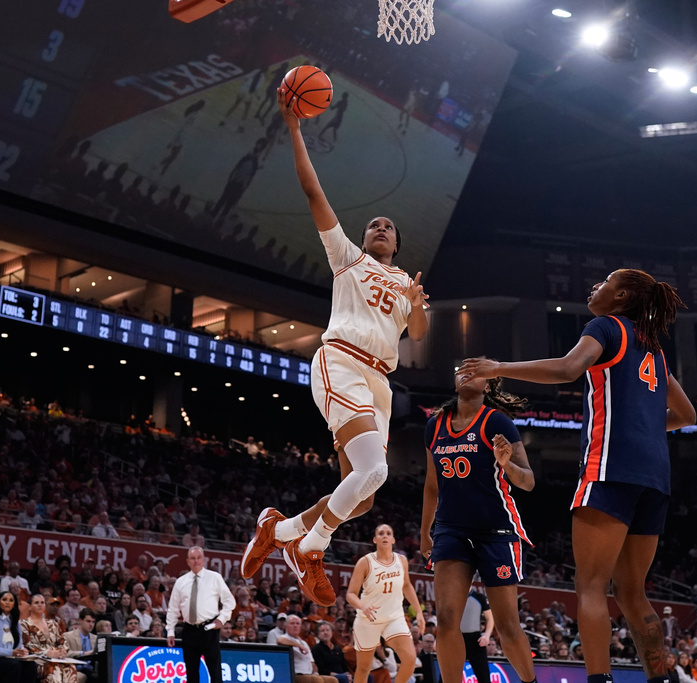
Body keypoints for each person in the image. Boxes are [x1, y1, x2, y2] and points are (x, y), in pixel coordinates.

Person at [459, 268, 697, 683]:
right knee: (632, 591)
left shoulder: (604, 326)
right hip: (655, 476)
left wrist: (499, 366)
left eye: (603, 282)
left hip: (609, 467)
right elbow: (687, 415)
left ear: (620, 296)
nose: (594, 287)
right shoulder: (652, 348)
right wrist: (640, 427)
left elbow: (570, 368)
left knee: (590, 587)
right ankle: (662, 680)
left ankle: (599, 680)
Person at [240, 86, 429, 607]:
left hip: (380, 383)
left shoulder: (408, 286)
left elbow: (418, 339)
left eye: (389, 227)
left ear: (398, 244)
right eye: (375, 224)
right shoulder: (347, 257)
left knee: (364, 499)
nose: (381, 227)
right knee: (377, 471)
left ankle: (277, 532)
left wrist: (416, 304)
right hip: (342, 360)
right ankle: (309, 547)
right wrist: (296, 127)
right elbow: (313, 193)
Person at [419, 370, 537, 683]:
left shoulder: (497, 422)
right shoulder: (435, 425)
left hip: (495, 531)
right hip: (451, 530)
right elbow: (432, 486)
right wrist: (424, 532)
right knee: (445, 620)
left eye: (476, 371)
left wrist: (506, 463)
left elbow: (528, 482)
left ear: (488, 385)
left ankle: (531, 681)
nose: (466, 373)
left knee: (508, 626)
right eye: (461, 369)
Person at [346, 524, 424, 683]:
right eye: (381, 533)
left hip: (393, 618)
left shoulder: (402, 560)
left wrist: (419, 612)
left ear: (393, 539)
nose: (385, 536)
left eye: (388, 533)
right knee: (364, 668)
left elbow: (407, 585)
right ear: (375, 539)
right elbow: (350, 594)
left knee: (410, 659)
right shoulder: (365, 562)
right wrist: (362, 606)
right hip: (369, 619)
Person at [165, 547, 236, 683]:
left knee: (215, 673)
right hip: (189, 630)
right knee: (191, 674)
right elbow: (173, 608)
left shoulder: (214, 577)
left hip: (209, 629)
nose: (196, 561)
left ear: (204, 560)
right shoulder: (181, 582)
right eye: (192, 558)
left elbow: (229, 601)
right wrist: (170, 631)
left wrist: (221, 619)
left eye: (198, 558)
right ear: (187, 561)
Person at [21, 594, 76, 683]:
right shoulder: (23, 624)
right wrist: (48, 653)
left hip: (57, 658)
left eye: (42, 602)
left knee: (71, 667)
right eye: (36, 603)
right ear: (30, 607)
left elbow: (62, 641)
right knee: (54, 669)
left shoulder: (53, 623)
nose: (40, 605)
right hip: (38, 660)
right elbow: (27, 644)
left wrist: (62, 650)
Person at [0, 590, 36, 682]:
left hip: (9, 658)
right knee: (14, 665)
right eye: (4, 599)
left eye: (11, 600)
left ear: (14, 604)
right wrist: (10, 652)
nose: (8, 602)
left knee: (31, 665)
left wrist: (22, 651)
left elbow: (19, 644)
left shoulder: (15, 622)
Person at [278, 614, 338, 683]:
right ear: (286, 626)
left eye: (297, 624)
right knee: (316, 680)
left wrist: (315, 672)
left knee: (333, 680)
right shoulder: (284, 638)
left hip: (309, 674)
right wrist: (299, 646)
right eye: (292, 623)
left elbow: (312, 662)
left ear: (300, 627)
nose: (295, 626)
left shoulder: (304, 643)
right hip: (296, 674)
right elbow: (280, 640)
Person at [460, 591, 495, 683]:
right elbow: (444, 618)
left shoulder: (479, 597)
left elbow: (490, 618)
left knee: (484, 676)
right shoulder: (452, 595)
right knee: (446, 676)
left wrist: (487, 635)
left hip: (475, 640)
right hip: (457, 640)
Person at [64, 608, 96, 682]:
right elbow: (66, 653)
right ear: (80, 621)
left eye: (93, 622)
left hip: (92, 669)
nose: (91, 625)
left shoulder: (96, 638)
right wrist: (84, 653)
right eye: (88, 621)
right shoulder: (68, 636)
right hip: (75, 668)